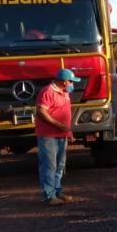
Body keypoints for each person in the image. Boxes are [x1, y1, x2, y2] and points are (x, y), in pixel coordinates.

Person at [34, 68, 80, 205]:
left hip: (61, 135)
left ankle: (57, 191)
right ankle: (48, 195)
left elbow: (65, 114)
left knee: (60, 165)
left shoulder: (64, 93)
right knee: (49, 165)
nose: (72, 84)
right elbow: (41, 112)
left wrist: (67, 131)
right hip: (48, 135)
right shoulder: (48, 91)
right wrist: (59, 125)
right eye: (71, 81)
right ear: (64, 82)